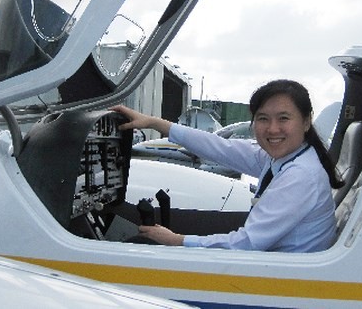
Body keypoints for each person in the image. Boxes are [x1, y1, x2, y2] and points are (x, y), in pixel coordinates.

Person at [111, 79, 341, 253]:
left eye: (283, 118)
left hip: (281, 282)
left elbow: (247, 243)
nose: (272, 129)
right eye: (263, 119)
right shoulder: (286, 158)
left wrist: (177, 240)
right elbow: (220, 147)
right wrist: (154, 122)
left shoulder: (300, 175)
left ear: (307, 121)